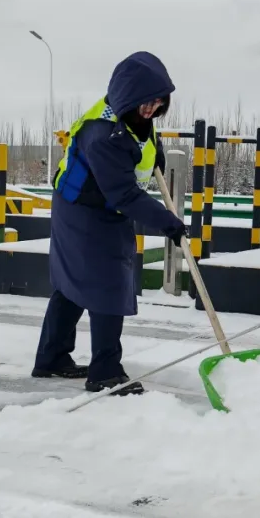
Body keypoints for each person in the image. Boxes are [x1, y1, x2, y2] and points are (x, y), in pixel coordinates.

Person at [32, 51, 189, 395]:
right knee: (107, 283)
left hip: (83, 204)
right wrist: (168, 223)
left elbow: (141, 137)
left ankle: (52, 357)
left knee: (73, 282)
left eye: (159, 103)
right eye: (145, 103)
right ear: (128, 97)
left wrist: (154, 148)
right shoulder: (104, 135)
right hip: (88, 211)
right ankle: (105, 372)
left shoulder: (126, 111)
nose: (151, 110)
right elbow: (124, 195)